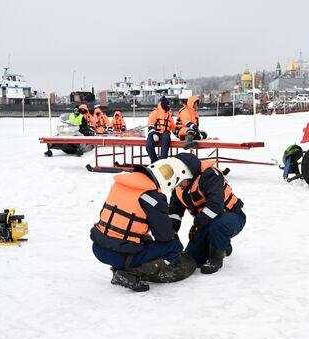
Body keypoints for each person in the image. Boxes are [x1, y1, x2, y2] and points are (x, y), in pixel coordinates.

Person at [90, 160, 197, 292]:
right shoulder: (153, 197)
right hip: (120, 254)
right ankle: (132, 272)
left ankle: (122, 267)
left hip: (99, 247)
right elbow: (164, 237)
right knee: (174, 247)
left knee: (145, 240)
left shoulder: (121, 184)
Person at [168, 153, 245, 274]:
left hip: (232, 217)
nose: (177, 186)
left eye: (178, 181)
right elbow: (174, 212)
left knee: (218, 225)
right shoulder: (179, 187)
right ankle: (223, 245)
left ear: (185, 174)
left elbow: (215, 205)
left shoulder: (209, 176)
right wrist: (172, 231)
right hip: (207, 221)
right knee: (194, 258)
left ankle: (216, 258)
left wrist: (197, 224)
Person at [146, 97, 176, 163]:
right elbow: (150, 124)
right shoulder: (155, 112)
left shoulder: (169, 115)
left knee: (166, 139)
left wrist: (180, 136)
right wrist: (153, 134)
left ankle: (162, 161)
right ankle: (154, 161)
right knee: (149, 146)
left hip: (165, 133)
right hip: (154, 132)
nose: (168, 107)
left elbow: (173, 127)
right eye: (167, 105)